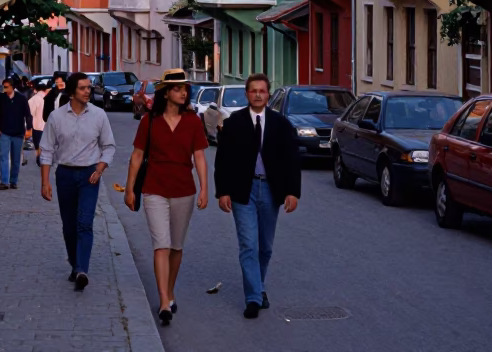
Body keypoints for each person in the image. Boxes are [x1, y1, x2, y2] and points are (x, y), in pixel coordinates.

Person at [123, 69, 209, 326]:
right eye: (177, 88)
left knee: (176, 247)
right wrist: (129, 189)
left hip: (184, 190)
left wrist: (204, 188)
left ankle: (170, 292)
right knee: (161, 244)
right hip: (154, 189)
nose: (183, 93)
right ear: (165, 92)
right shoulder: (149, 121)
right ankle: (163, 300)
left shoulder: (193, 121)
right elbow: (137, 156)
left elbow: (200, 157)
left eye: (185, 89)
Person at [214, 73, 301, 319]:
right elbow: (223, 161)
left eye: (262, 91)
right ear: (247, 94)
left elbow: (292, 160)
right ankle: (253, 298)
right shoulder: (234, 122)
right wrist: (223, 192)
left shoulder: (281, 124)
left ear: (268, 94)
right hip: (244, 190)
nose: (258, 95)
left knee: (265, 247)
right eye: (253, 91)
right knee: (248, 245)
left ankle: (258, 286)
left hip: (271, 190)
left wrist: (292, 191)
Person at [39, 72, 116, 291]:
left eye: (89, 87)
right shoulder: (56, 117)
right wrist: (45, 182)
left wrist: (100, 167)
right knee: (69, 226)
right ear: (72, 92)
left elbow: (109, 146)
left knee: (85, 222)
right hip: (64, 175)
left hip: (89, 175)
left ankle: (82, 269)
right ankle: (75, 264)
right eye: (83, 88)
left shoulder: (99, 115)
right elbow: (46, 149)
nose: (88, 91)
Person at [0, 78, 33, 190]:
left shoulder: (21, 98)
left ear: (12, 87)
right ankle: (4, 181)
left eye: (6, 87)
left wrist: (29, 128)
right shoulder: (0, 98)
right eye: (4, 87)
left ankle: (13, 181)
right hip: (4, 131)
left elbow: (28, 114)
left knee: (16, 158)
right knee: (3, 156)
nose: (5, 89)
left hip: (18, 132)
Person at [28, 80, 49, 164]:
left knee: (38, 144)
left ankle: (39, 157)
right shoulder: (49, 98)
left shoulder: (34, 99)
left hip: (37, 126)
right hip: (47, 126)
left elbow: (30, 113)